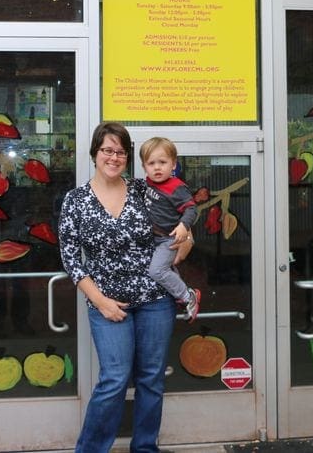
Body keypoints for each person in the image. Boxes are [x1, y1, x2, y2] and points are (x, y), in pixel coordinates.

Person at [58, 122, 192, 453]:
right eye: (107, 150)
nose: (114, 157)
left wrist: (180, 248)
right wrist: (101, 302)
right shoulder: (76, 201)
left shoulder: (143, 191)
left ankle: (145, 447)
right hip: (107, 304)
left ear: (128, 157)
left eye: (120, 151)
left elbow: (182, 235)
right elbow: (72, 260)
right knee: (114, 379)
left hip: (154, 300)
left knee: (151, 380)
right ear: (94, 153)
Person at [139, 136, 201, 323]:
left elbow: (192, 209)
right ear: (144, 167)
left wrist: (184, 226)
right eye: (151, 163)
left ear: (173, 164)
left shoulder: (177, 188)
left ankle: (187, 295)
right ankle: (179, 294)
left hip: (168, 239)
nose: (157, 167)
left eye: (163, 162)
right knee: (165, 268)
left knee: (156, 271)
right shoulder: (148, 183)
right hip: (154, 238)